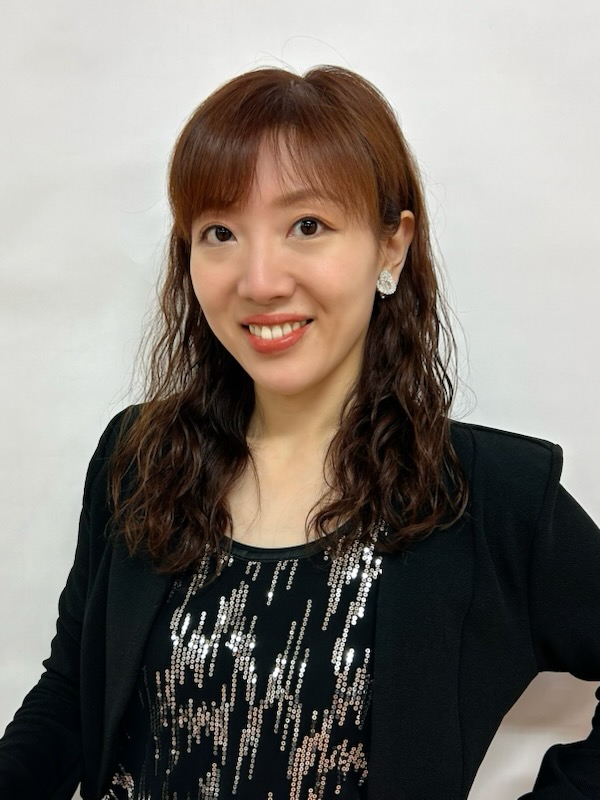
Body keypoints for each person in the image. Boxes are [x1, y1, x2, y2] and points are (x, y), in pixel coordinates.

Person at [0, 65, 599, 800]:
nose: (259, 281)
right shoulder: (139, 457)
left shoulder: (491, 496)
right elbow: (71, 694)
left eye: (306, 226)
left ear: (391, 246)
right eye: (220, 232)